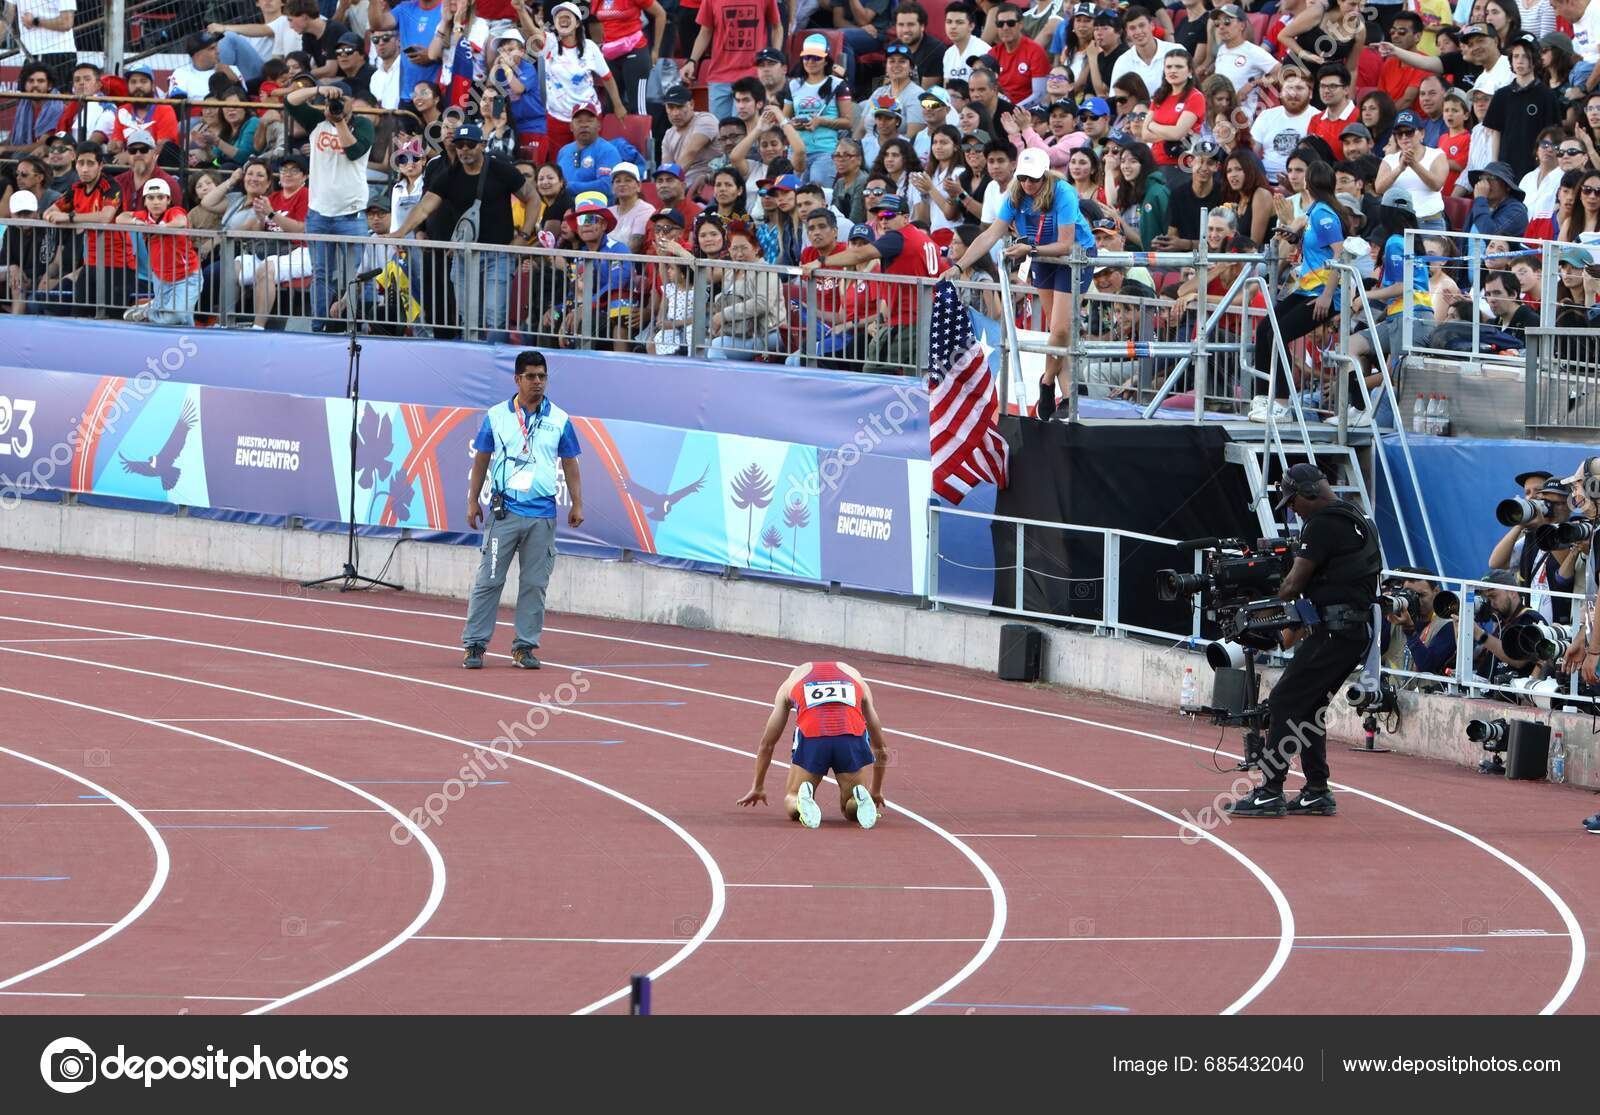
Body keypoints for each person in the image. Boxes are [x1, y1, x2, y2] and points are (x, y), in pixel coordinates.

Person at [1224, 464, 1381, 818]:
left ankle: (1269, 791)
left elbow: (1294, 585)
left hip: (1335, 632)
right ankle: (1316, 791)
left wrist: (1260, 601)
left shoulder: (1324, 524)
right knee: (1309, 708)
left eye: (1293, 501)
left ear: (1309, 492)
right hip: (1350, 632)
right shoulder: (1356, 516)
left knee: (1283, 702)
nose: (1292, 509)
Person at [461, 351, 584, 671]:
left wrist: (577, 502)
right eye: (531, 376)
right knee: (489, 579)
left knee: (534, 584)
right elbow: (481, 460)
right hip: (504, 513)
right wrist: (473, 500)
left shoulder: (560, 418)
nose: (538, 382)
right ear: (517, 379)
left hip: (542, 515)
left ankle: (524, 647)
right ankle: (475, 644)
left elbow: (570, 462)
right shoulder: (496, 416)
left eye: (542, 376)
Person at [945, 146, 1094, 385]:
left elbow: (1066, 244)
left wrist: (1030, 250)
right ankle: (1066, 396)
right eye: (1022, 177)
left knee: (1061, 331)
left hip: (1074, 257)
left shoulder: (1063, 191)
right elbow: (989, 235)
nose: (1027, 184)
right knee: (1058, 334)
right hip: (1041, 256)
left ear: (1044, 175)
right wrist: (959, 266)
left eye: (1033, 178)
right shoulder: (1014, 195)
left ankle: (1046, 382)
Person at [737, 660, 888, 829]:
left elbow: (767, 743)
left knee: (792, 796)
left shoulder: (790, 684)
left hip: (814, 736)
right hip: (850, 737)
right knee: (850, 808)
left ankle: (801, 803)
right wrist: (875, 790)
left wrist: (758, 786)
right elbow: (880, 747)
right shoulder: (858, 680)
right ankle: (858, 801)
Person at [801, 192, 941, 373]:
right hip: (927, 319)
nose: (883, 221)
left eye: (889, 215)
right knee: (914, 379)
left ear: (906, 218)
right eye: (880, 216)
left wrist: (821, 261)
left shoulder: (899, 237)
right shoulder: (925, 240)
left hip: (907, 321)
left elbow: (860, 255)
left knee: (873, 371)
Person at [284, 80, 375, 330]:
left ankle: (360, 326)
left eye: (341, 101)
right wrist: (317, 91)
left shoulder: (364, 124)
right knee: (321, 275)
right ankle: (319, 326)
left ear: (352, 103)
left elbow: (354, 151)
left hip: (352, 215)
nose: (336, 105)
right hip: (319, 214)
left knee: (359, 275)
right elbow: (289, 101)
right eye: (332, 101)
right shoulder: (317, 120)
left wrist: (339, 122)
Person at [44, 142, 136, 316]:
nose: (84, 169)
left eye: (90, 163)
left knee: (113, 319)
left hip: (117, 265)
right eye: (81, 163)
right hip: (91, 263)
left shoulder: (111, 187)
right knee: (78, 314)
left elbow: (105, 217)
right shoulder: (75, 188)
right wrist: (62, 218)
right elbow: (49, 212)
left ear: (100, 165)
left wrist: (69, 217)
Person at [531, 2, 627, 155]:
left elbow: (607, 78)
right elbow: (532, 33)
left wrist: (618, 105)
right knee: (561, 163)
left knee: (590, 159)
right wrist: (521, 10)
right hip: (557, 117)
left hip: (587, 116)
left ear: (577, 23)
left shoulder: (590, 47)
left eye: (567, 17)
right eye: (559, 18)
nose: (563, 20)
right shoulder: (549, 43)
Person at [116, 178, 203, 326]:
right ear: (145, 201)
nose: (156, 202)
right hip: (161, 276)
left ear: (168, 200)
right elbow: (120, 217)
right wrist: (137, 222)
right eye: (150, 198)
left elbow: (181, 221)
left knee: (177, 316)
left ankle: (147, 311)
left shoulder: (174, 211)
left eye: (160, 197)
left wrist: (163, 227)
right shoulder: (144, 216)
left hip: (186, 276)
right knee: (185, 321)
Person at [679, 0, 783, 121]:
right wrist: (692, 61)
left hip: (751, 75)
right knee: (720, 132)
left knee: (744, 131)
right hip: (719, 75)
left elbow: (777, 27)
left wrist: (774, 58)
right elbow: (705, 32)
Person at [7, 0, 78, 91]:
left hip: (58, 52)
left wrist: (35, 21)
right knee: (26, 100)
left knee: (59, 100)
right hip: (32, 53)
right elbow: (6, 18)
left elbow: (66, 23)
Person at [660, 85, 719, 195]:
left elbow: (691, 152)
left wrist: (669, 184)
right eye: (671, 107)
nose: (675, 113)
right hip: (681, 186)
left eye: (680, 107)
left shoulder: (705, 120)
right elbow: (666, 168)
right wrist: (666, 184)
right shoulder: (668, 134)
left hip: (706, 185)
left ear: (691, 104)